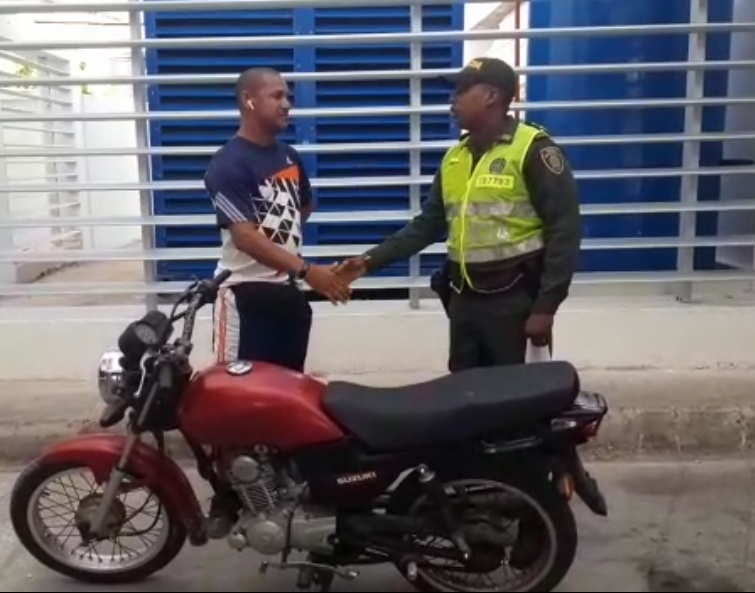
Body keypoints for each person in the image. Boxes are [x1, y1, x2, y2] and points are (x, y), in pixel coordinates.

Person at [334, 57, 583, 372]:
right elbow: (427, 225)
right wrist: (369, 261)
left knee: (517, 393)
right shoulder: (455, 157)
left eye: (462, 91)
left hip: (515, 300)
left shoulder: (533, 150)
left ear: (491, 96)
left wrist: (546, 307)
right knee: (464, 392)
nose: (452, 100)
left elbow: (564, 230)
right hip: (464, 300)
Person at [201, 67, 350, 537]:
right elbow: (244, 237)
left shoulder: (288, 156)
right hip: (244, 299)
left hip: (286, 298)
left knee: (284, 403)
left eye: (288, 96)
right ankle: (227, 498)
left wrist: (291, 265)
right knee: (230, 404)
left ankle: (281, 489)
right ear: (249, 100)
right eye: (277, 96)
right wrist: (306, 269)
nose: (287, 104)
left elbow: (304, 206)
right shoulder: (227, 164)